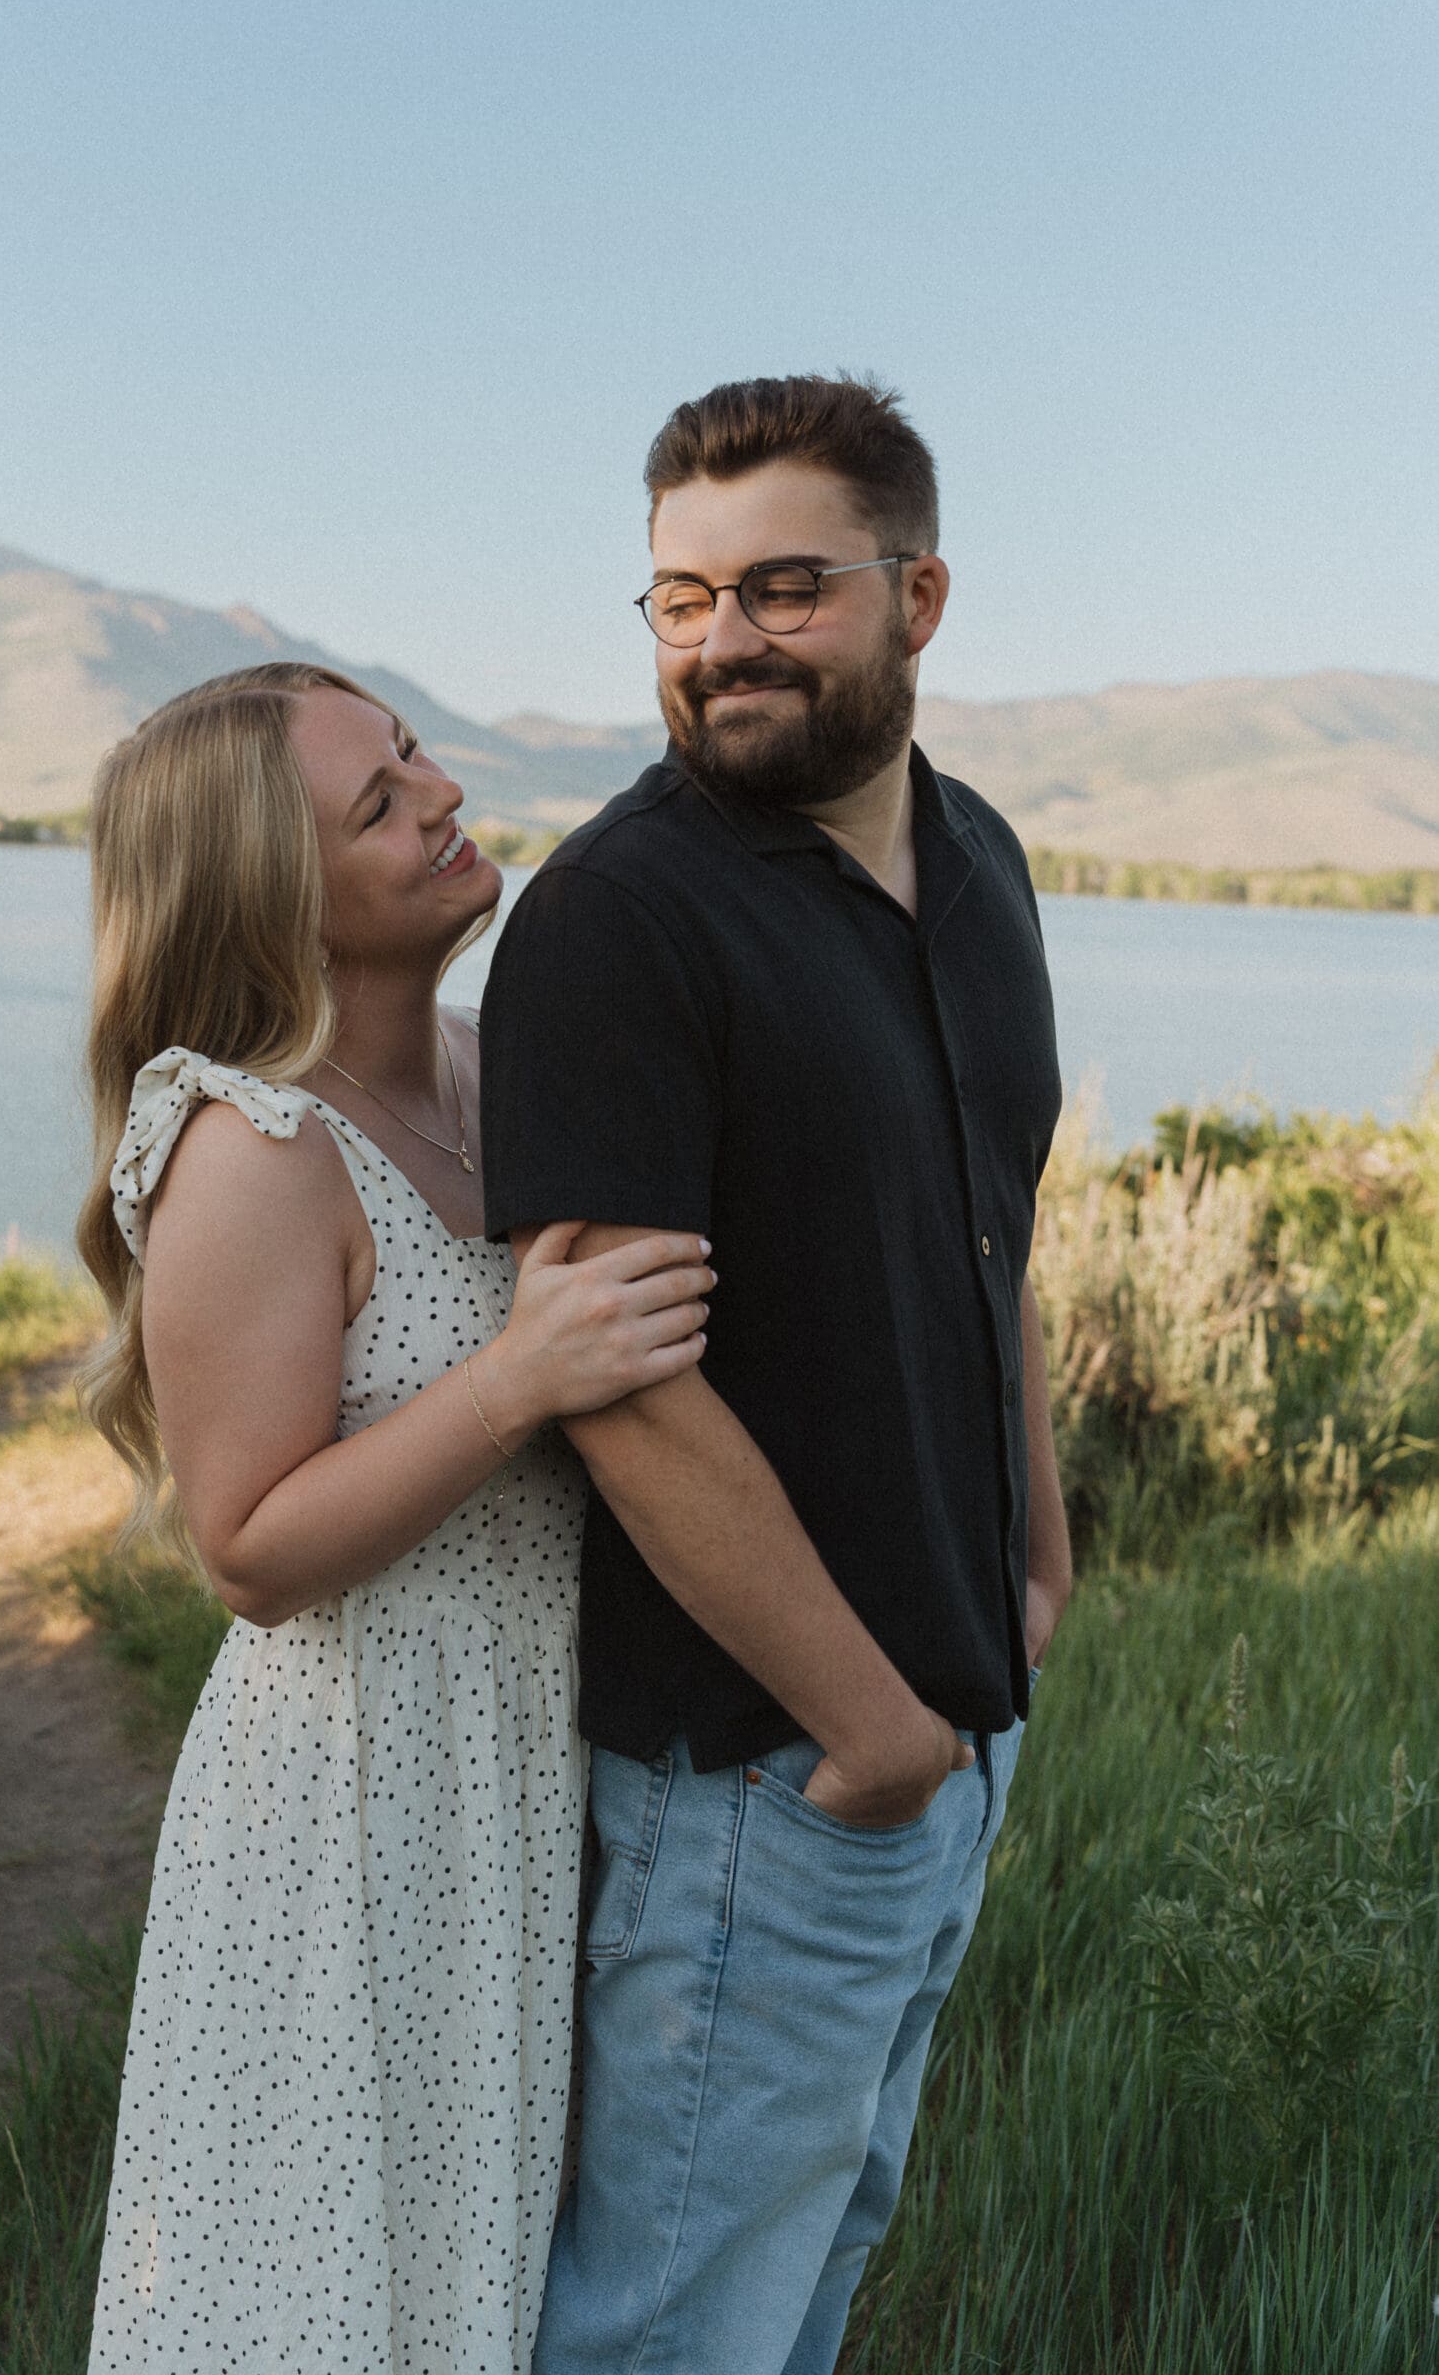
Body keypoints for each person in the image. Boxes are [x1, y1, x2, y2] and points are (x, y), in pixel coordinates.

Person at [480, 372, 1073, 2375]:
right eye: (677, 596)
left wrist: (1034, 1562)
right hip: (760, 1774)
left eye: (782, 586)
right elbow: (615, 1381)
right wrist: (870, 1735)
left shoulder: (977, 859)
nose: (720, 639)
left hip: (944, 1724)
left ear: (917, 595)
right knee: (675, 2326)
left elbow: (994, 1230)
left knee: (807, 2284)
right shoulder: (615, 917)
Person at [75, 661, 714, 2375]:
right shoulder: (253, 1150)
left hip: (522, 1769)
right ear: (278, 900)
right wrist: (517, 1379)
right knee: (314, 2300)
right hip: (348, 1803)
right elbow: (248, 1548)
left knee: (465, 2291)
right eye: (379, 800)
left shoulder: (503, 1067)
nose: (439, 792)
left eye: (412, 752)